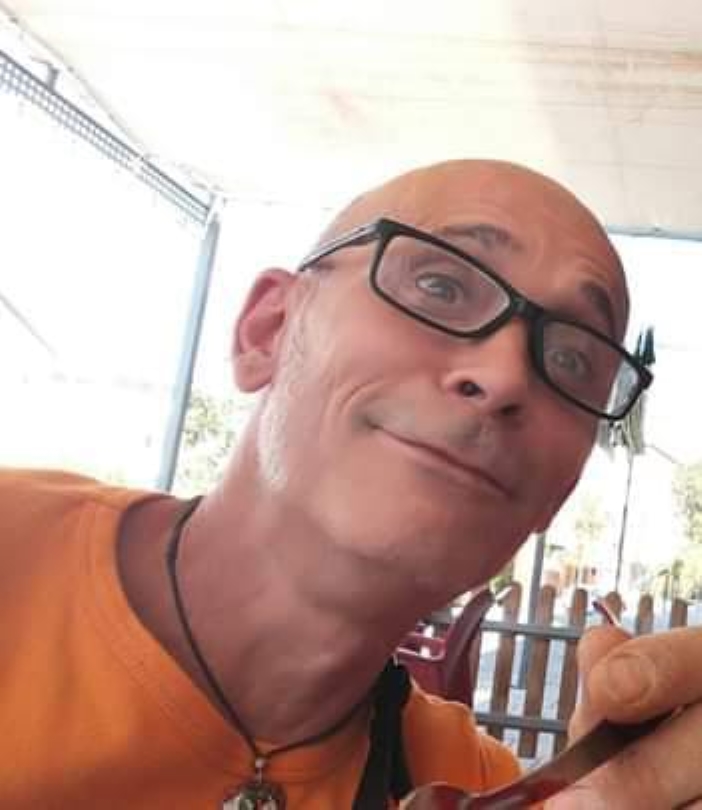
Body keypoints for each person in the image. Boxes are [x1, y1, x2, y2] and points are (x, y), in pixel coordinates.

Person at [0, 159, 699, 809]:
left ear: (561, 490)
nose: (505, 377)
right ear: (268, 330)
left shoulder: (483, 788)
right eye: (442, 286)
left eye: (573, 359)